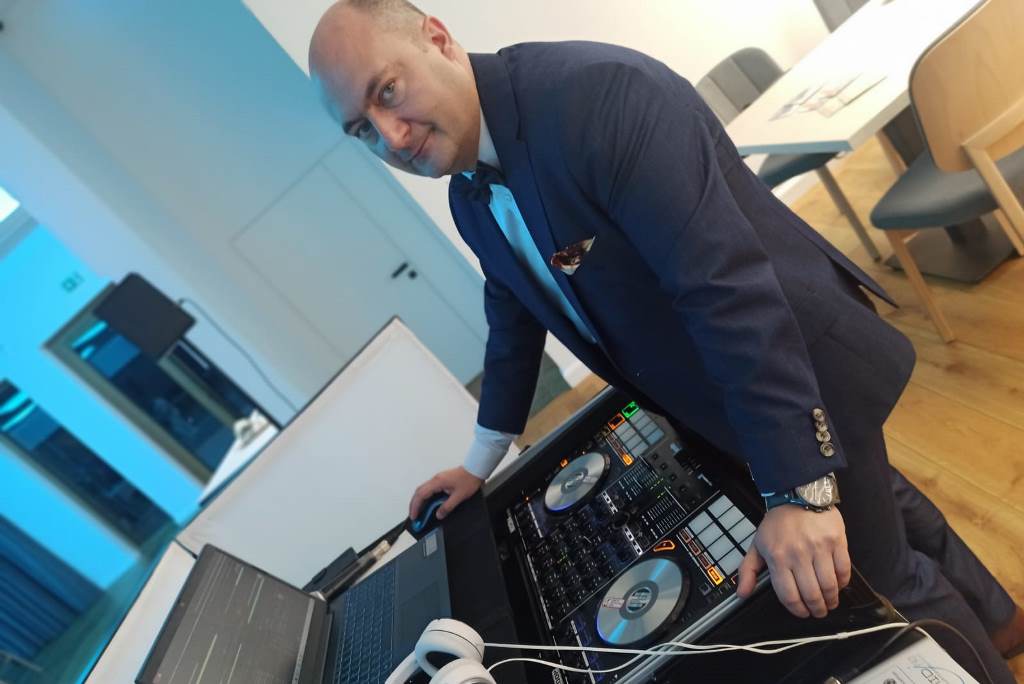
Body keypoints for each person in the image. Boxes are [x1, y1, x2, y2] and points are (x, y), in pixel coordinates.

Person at [307, 1, 1023, 679]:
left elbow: (725, 288)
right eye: (361, 129)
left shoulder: (594, 95)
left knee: (883, 576)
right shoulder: (468, 193)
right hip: (727, 394)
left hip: (794, 372)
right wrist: (479, 461)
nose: (390, 136)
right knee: (885, 499)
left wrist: (798, 491)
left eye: (388, 91)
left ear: (436, 38)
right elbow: (513, 313)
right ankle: (1000, 622)